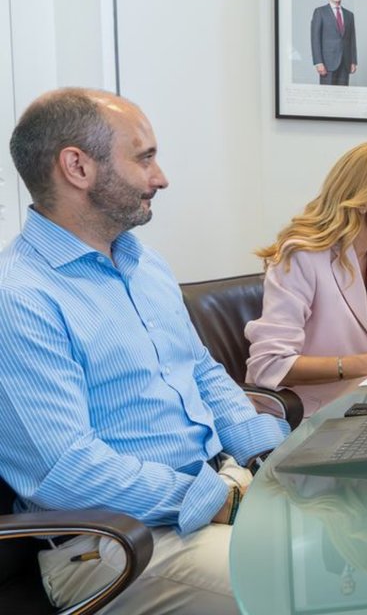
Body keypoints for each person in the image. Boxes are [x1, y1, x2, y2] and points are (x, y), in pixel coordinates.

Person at [0, 88, 290, 613]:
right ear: (77, 167)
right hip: (111, 542)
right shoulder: (19, 296)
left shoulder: (145, 263)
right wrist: (219, 499)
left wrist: (272, 456)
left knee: (358, 540)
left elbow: (201, 371)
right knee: (306, 584)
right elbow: (65, 471)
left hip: (216, 489)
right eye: (145, 157)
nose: (161, 177)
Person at [246, 142, 367, 416]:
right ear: (364, 200)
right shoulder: (302, 255)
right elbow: (269, 365)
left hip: (364, 406)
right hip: (307, 417)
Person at [311, 0, 357, 86]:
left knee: (343, 97)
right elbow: (315, 39)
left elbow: (352, 39)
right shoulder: (320, 12)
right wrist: (318, 62)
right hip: (327, 63)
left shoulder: (349, 15)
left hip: (345, 63)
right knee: (326, 97)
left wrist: (353, 61)